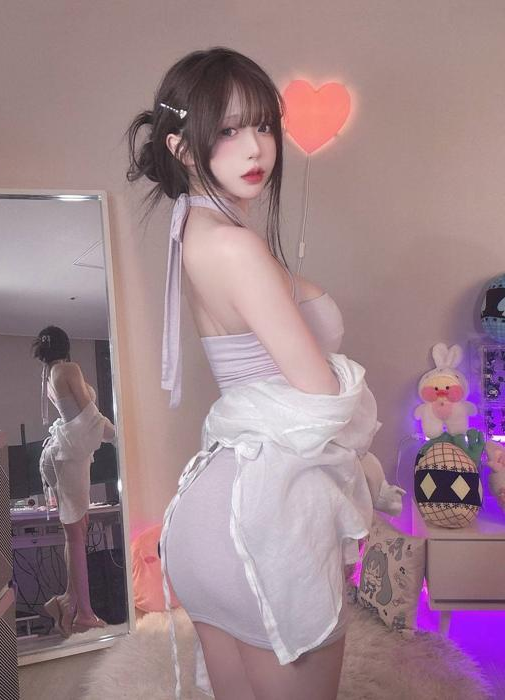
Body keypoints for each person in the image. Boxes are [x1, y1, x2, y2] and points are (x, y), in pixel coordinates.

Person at [126, 47, 384, 700]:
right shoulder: (234, 246)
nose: (255, 148)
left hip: (208, 519)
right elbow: (321, 396)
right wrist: (365, 454)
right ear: (183, 148)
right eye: (229, 130)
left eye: (263, 125)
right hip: (262, 523)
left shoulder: (194, 230)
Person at [32, 325, 115, 637]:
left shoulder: (51, 375)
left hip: (65, 453)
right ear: (66, 346)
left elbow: (79, 416)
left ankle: (68, 602)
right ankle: (83, 613)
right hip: (69, 455)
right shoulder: (68, 369)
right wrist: (117, 435)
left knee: (75, 531)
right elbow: (89, 414)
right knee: (76, 533)